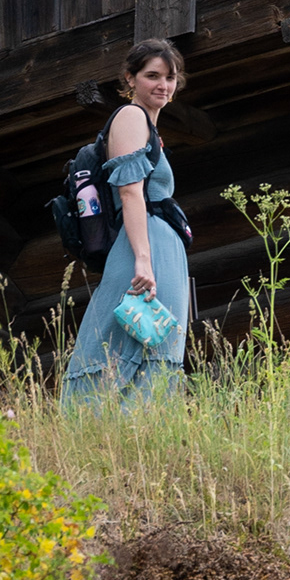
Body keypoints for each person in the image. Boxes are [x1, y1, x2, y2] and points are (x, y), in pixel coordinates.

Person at [62, 38, 191, 406]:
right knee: (121, 343)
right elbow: (131, 193)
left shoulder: (150, 128)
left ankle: (138, 434)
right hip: (144, 247)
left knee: (153, 345)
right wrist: (143, 260)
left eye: (170, 77)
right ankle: (95, 427)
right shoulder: (132, 117)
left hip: (157, 246)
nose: (163, 85)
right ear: (130, 78)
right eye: (152, 75)